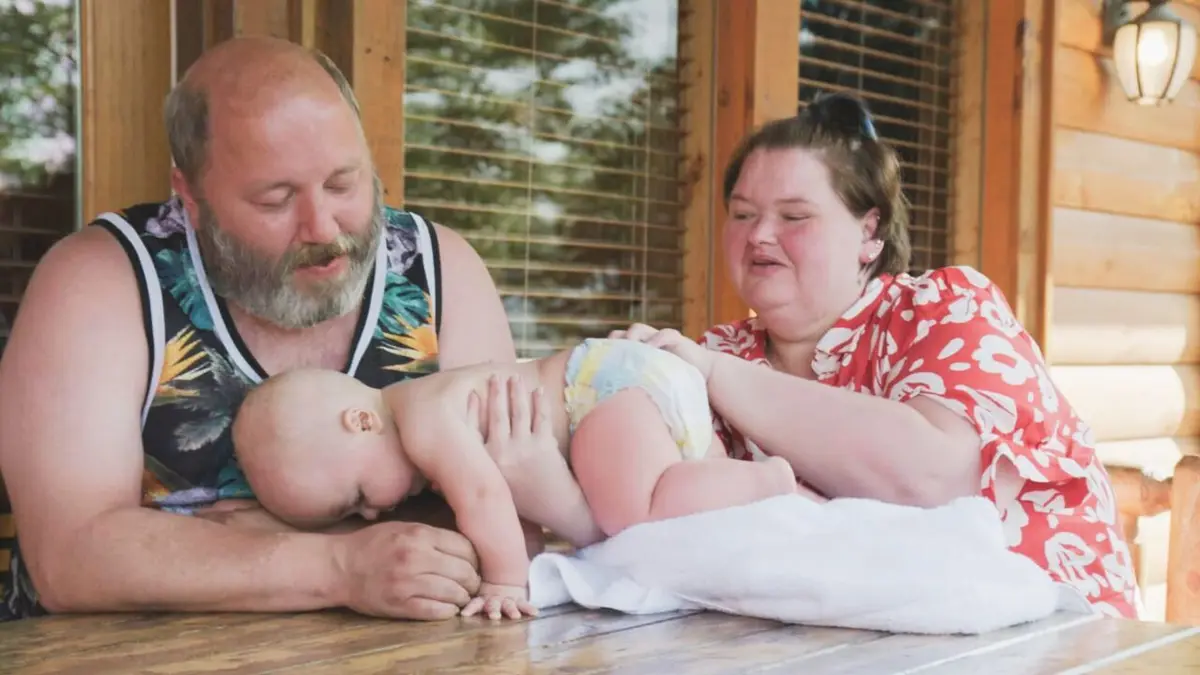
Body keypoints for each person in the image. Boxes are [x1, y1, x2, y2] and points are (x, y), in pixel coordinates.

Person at [0, 36, 571, 621]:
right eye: (276, 199)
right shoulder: (101, 280)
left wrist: (254, 533)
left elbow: (511, 522)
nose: (322, 226)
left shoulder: (438, 269)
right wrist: (341, 565)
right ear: (190, 196)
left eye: (343, 183)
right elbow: (70, 558)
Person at [598, 92, 1140, 618]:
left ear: (869, 233)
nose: (760, 234)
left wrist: (717, 375)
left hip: (1053, 640)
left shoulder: (945, 309)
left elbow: (933, 478)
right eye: (742, 214)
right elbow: (651, 519)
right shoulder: (722, 351)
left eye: (794, 216)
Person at [228, 339, 801, 619]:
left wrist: (504, 582)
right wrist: (522, 551)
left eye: (356, 498)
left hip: (600, 389)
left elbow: (485, 495)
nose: (372, 516)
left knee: (634, 515)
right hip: (617, 387)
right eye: (354, 517)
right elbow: (512, 506)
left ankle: (766, 480)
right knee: (656, 524)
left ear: (360, 422)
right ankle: (749, 489)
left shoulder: (424, 420)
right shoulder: (423, 417)